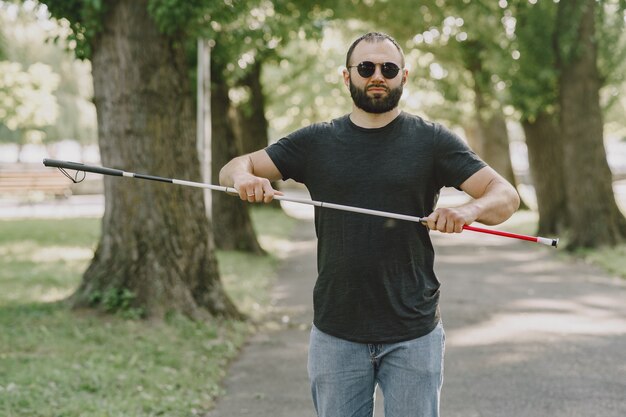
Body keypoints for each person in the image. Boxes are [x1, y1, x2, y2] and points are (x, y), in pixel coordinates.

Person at [219, 32, 520, 417]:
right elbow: (233, 167)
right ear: (347, 77)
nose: (377, 75)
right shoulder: (316, 141)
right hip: (336, 331)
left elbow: (505, 196)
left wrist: (468, 211)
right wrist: (244, 179)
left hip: (414, 333)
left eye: (388, 68)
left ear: (403, 77)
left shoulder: (432, 141)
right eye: (365, 67)